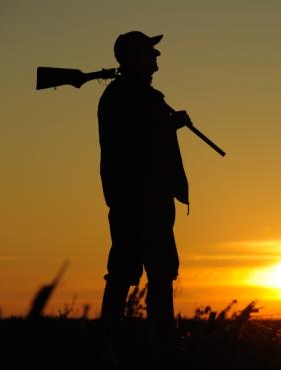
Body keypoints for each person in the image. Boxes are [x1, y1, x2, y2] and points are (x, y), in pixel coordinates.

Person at [97, 31, 191, 355]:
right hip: (138, 203)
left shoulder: (134, 96)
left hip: (145, 201)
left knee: (153, 273)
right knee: (132, 273)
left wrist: (167, 122)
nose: (157, 57)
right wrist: (170, 124)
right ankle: (150, 345)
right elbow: (134, 144)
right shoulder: (126, 97)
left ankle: (134, 343)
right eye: (150, 52)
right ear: (135, 58)